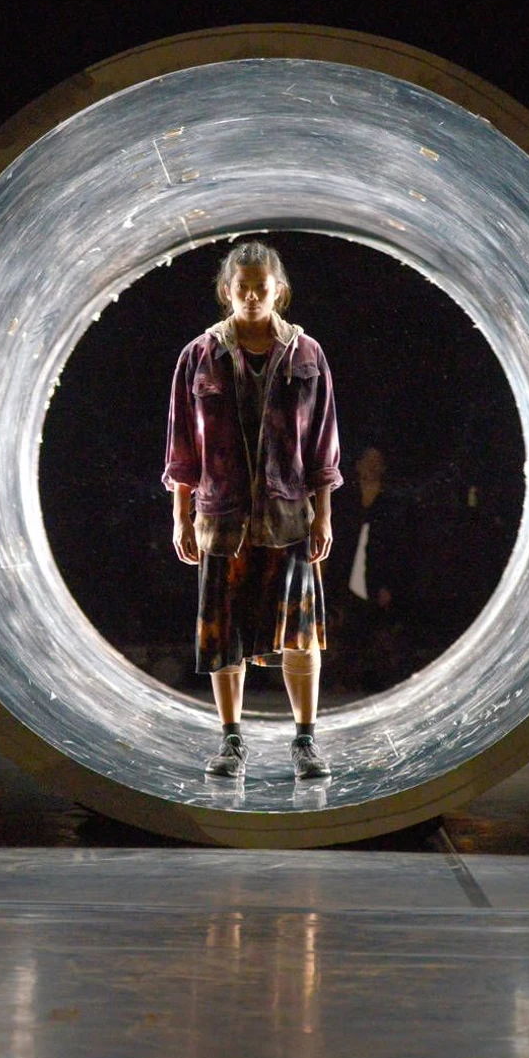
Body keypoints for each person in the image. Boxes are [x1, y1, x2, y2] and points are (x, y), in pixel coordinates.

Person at [163, 240, 342, 780]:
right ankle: (231, 740)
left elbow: (323, 443)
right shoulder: (199, 356)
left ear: (278, 290)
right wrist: (180, 515)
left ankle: (305, 741)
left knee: (301, 634)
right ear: (227, 290)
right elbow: (181, 447)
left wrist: (324, 515)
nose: (251, 297)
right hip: (223, 517)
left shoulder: (307, 354)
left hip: (288, 516)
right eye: (241, 288)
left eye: (260, 288)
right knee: (224, 635)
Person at [327, 445, 405, 692]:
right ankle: (343, 679)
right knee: (345, 625)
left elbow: (396, 546)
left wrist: (388, 584)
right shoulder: (344, 498)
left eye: (377, 462)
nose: (372, 467)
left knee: (373, 627)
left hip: (375, 573)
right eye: (368, 461)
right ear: (358, 466)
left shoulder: (390, 502)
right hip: (345, 570)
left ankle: (373, 681)